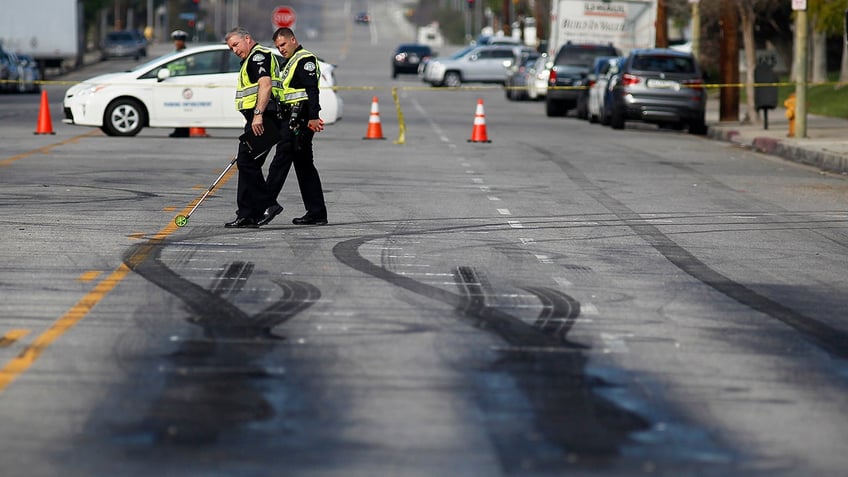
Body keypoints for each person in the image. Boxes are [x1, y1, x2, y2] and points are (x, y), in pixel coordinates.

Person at [258, 27, 327, 226]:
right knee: (304, 166)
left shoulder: (305, 59)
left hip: (300, 119)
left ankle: (265, 204)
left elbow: (312, 90)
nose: (281, 49)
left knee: (280, 161)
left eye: (283, 44)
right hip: (290, 118)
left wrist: (313, 117)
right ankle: (317, 212)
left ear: (293, 40)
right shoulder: (289, 61)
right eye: (278, 46)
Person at [223, 26, 284, 228]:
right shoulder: (250, 59)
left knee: (246, 162)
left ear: (247, 39)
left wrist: (257, 115)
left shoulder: (259, 56)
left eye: (236, 45)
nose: (234, 50)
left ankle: (268, 204)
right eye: (231, 48)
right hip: (256, 118)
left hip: (263, 117)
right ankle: (246, 214)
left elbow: (265, 85)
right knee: (248, 164)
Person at [168, 30, 191, 138]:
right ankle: (178, 129)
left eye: (180, 40)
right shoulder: (173, 54)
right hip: (174, 84)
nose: (177, 43)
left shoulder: (188, 54)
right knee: (176, 109)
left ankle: (184, 130)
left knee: (184, 108)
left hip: (184, 84)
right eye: (176, 40)